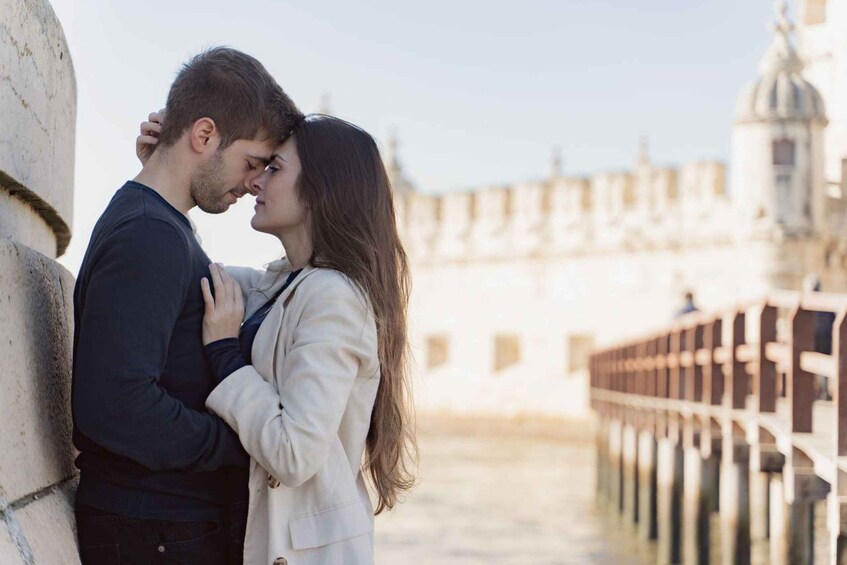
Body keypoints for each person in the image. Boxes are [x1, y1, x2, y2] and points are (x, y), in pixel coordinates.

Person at [137, 112, 417, 564]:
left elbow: (293, 453)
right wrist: (168, 172)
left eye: (275, 168)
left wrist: (225, 354)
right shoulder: (281, 284)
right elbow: (187, 272)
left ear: (319, 191)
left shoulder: (334, 297)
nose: (255, 183)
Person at [71, 47, 301, 565]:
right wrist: (238, 447)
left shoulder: (160, 225)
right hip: (153, 531)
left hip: (160, 527)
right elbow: (116, 405)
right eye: (251, 163)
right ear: (204, 136)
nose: (253, 183)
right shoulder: (150, 235)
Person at [804, 273, 835, 401]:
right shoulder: (825, 302)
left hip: (816, 338)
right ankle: (823, 391)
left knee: (815, 364)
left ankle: (818, 392)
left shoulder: (806, 302)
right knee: (821, 365)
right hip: (824, 337)